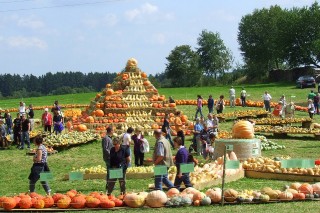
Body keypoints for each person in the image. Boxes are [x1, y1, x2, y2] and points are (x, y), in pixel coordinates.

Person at [102, 126, 114, 191]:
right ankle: (109, 185)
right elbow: (105, 148)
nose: (114, 131)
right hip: (108, 157)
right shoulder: (106, 138)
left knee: (110, 171)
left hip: (110, 157)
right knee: (110, 171)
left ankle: (110, 184)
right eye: (113, 130)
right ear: (111, 131)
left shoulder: (109, 138)